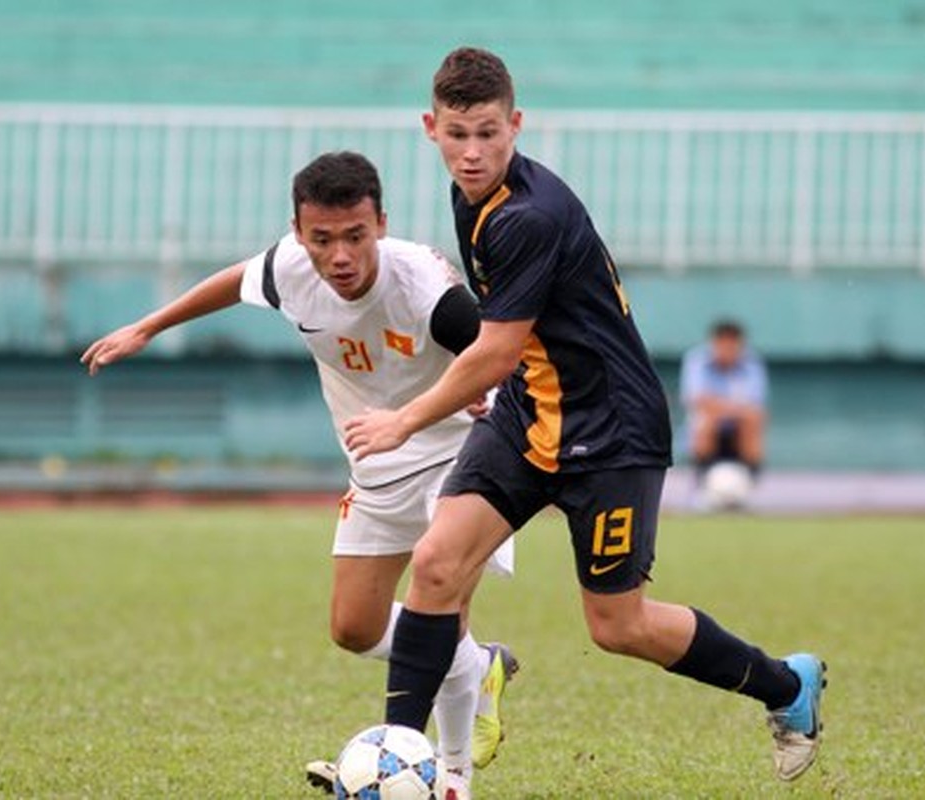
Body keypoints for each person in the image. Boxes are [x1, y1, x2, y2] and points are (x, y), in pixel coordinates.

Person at [343, 47, 825, 790]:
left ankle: (786, 687)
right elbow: (507, 342)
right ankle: (398, 759)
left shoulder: (527, 216)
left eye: (490, 134)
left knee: (617, 627)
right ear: (429, 128)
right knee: (436, 565)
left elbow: (496, 351)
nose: (473, 153)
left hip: (611, 432)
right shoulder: (470, 194)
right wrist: (487, 375)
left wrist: (404, 419)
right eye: (458, 134)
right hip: (531, 413)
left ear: (518, 125)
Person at [79, 151, 516, 799]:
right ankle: (475, 668)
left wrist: (484, 389)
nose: (339, 255)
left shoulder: (423, 287)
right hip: (376, 461)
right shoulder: (290, 266)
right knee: (354, 629)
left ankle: (450, 779)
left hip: (459, 455)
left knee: (440, 600)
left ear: (380, 225)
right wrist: (148, 326)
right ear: (298, 232)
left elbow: (498, 351)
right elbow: (237, 280)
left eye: (355, 236)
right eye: (321, 239)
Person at [680, 318, 769, 474]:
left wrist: (720, 406)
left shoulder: (753, 363)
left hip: (739, 425)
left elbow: (756, 404)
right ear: (714, 343)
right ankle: (703, 474)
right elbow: (696, 400)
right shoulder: (697, 360)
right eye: (723, 343)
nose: (728, 349)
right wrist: (733, 407)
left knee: (755, 418)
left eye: (732, 344)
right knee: (705, 419)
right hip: (710, 424)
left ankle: (748, 477)